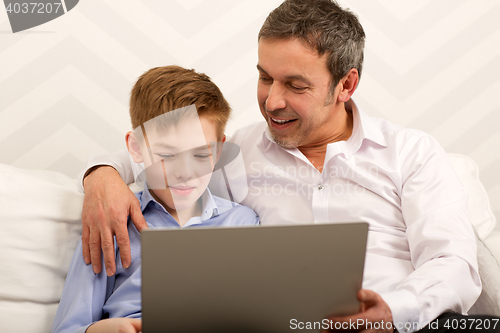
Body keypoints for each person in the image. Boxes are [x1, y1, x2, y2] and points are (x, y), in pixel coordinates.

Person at [77, 1, 497, 332]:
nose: (272, 101)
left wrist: (393, 312)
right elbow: (161, 153)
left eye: (295, 85)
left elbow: (455, 264)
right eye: (265, 78)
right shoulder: (234, 151)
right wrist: (102, 175)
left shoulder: (410, 151)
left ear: (345, 86)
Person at [52, 66, 259, 333]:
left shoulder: (243, 224)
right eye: (167, 155)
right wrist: (107, 329)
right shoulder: (113, 224)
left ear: (219, 150)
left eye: (200, 155)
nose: (185, 173)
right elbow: (68, 327)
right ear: (136, 148)